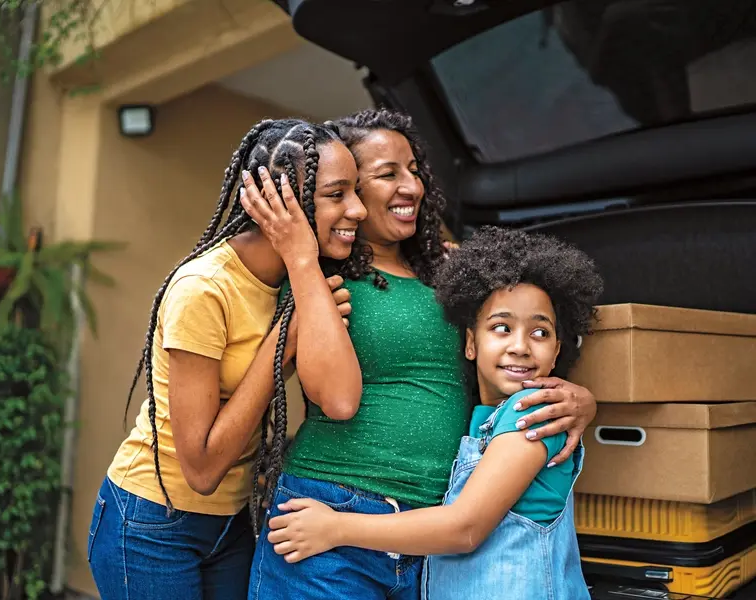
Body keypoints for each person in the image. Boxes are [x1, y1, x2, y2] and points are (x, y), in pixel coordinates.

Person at [245, 109, 598, 600]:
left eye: (414, 170)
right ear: (350, 189)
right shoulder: (322, 278)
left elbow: (522, 344)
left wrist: (580, 398)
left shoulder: (453, 274)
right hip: (329, 518)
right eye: (388, 174)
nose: (410, 186)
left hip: (429, 538)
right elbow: (331, 397)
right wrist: (302, 260)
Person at [87, 119, 366, 600]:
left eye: (356, 190)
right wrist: (286, 339)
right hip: (152, 523)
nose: (357, 209)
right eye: (336, 194)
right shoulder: (205, 288)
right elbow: (201, 467)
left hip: (231, 522)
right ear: (278, 202)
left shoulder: (299, 281)